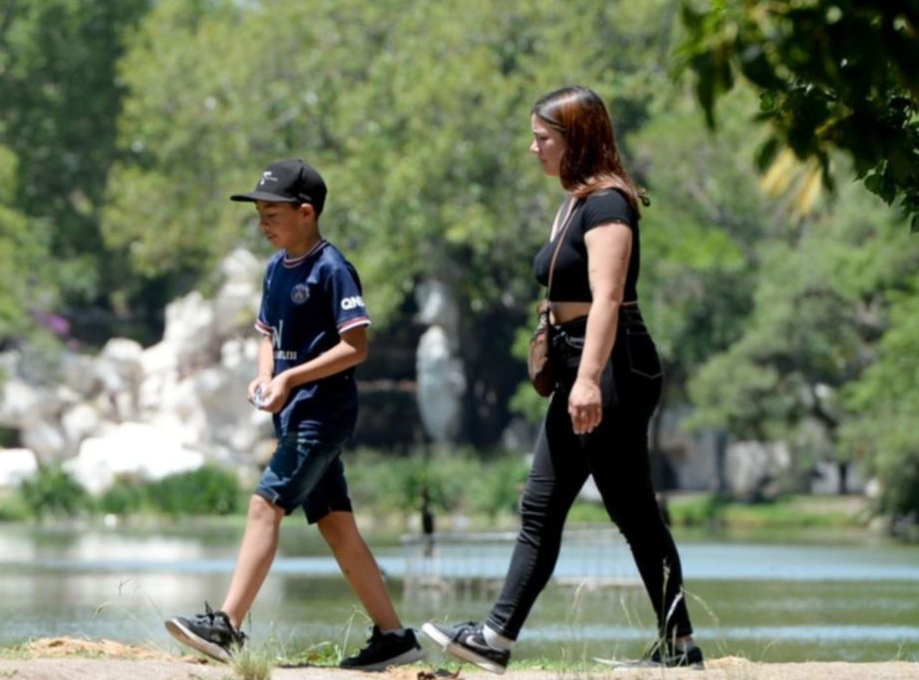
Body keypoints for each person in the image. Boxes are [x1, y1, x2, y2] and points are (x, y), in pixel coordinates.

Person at [422, 87, 703, 673]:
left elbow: (606, 299)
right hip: (580, 359)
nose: (533, 149)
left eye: (543, 138)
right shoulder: (576, 201)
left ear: (578, 139)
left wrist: (589, 380)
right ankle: (495, 639)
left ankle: (678, 649)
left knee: (634, 516)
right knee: (542, 506)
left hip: (610, 366)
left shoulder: (608, 205)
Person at [165, 159, 424, 671]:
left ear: (307, 213)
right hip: (293, 413)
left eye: (272, 213)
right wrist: (266, 376)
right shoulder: (274, 268)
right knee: (337, 527)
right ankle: (395, 638)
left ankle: (227, 626)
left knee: (266, 505)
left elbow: (356, 346)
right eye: (259, 213)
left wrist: (290, 379)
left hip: (322, 415)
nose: (263, 223)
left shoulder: (332, 268)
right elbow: (267, 333)